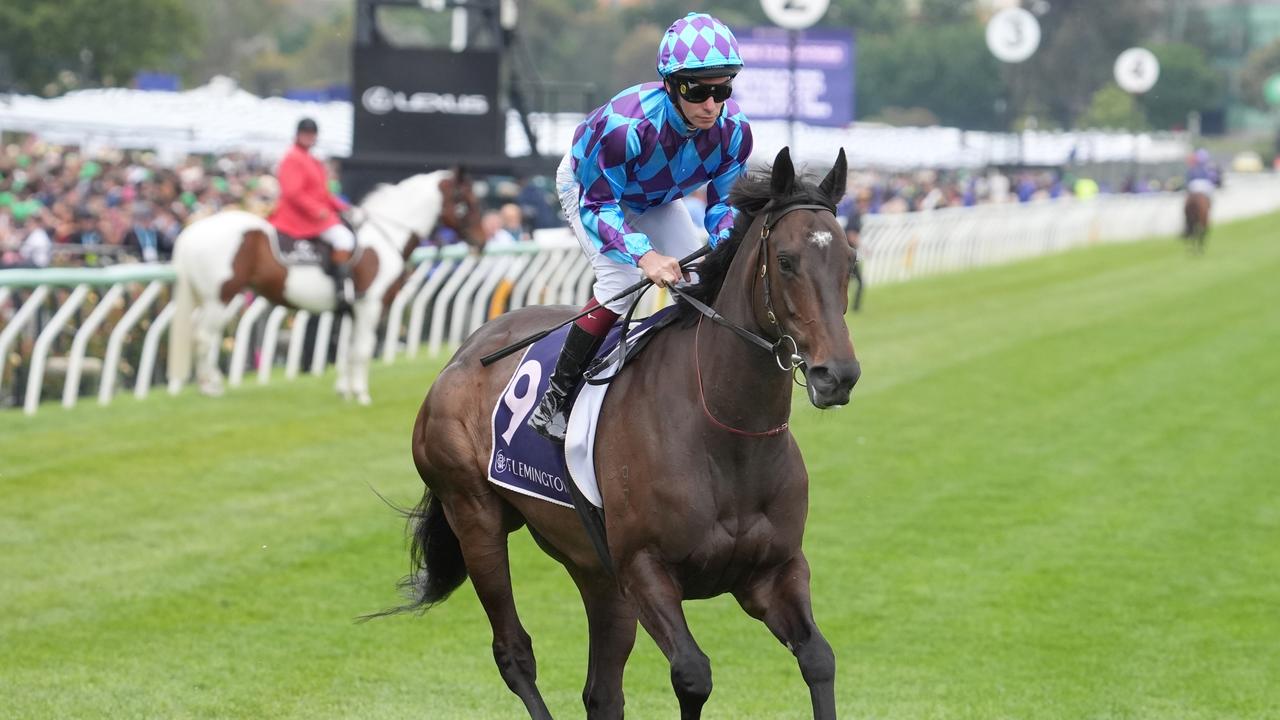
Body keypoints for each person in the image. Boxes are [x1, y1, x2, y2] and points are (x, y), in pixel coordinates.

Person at [527, 12, 753, 443]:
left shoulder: (734, 132)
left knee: (703, 277)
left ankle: (690, 383)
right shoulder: (623, 126)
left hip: (657, 197)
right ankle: (555, 400)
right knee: (622, 278)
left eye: (722, 89)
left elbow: (725, 205)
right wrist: (646, 255)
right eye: (698, 90)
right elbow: (598, 206)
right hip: (593, 190)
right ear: (670, 85)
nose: (711, 104)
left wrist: (724, 248)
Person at [268, 118, 362, 311]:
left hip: (315, 214)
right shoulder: (292, 158)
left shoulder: (312, 159)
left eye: (311, 134)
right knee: (344, 239)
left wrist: (344, 207)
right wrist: (318, 210)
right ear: (298, 135)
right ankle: (340, 288)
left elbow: (324, 193)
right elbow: (293, 193)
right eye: (305, 134)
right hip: (299, 217)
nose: (309, 137)